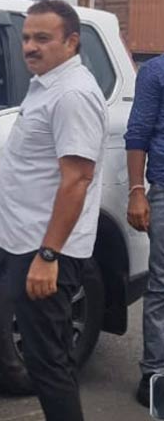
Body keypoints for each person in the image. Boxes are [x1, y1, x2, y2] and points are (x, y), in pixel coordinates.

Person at [0, 0, 107, 421]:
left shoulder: (73, 94)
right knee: (45, 358)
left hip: (46, 250)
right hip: (27, 242)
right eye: (26, 38)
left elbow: (76, 180)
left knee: (48, 363)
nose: (30, 47)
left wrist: (48, 255)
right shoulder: (49, 83)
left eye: (42, 38)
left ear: (71, 41)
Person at [125, 51, 164, 407]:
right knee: (162, 285)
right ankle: (154, 375)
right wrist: (137, 191)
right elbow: (137, 133)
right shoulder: (156, 71)